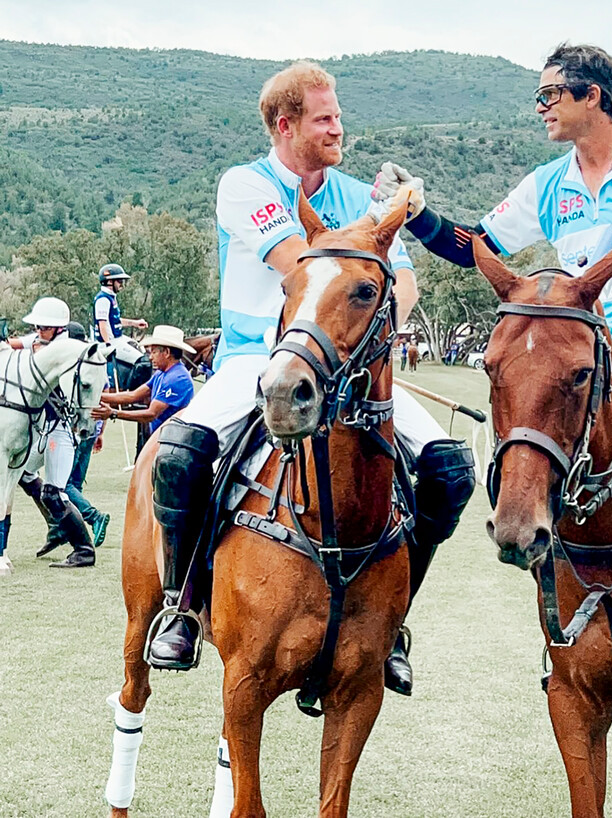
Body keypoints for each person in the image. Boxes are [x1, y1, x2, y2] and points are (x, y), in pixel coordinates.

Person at [146, 61, 475, 692]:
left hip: (352, 366)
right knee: (181, 454)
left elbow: (399, 281)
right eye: (325, 118)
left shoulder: (358, 197)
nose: (338, 128)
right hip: (257, 358)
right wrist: (386, 223)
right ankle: (182, 603)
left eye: (339, 116)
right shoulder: (245, 185)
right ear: (285, 123)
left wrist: (372, 329)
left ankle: (395, 620)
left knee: (447, 471)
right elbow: (303, 268)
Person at [372, 42, 612, 484]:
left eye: (549, 94)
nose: (539, 107)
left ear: (591, 95)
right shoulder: (547, 184)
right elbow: (473, 247)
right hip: (585, 356)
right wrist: (417, 213)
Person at [9, 298, 97, 568]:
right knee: (25, 474)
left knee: (54, 493)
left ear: (58, 329)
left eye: (43, 328)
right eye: (37, 327)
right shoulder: (43, 340)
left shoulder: (68, 351)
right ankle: (57, 526)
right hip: (43, 428)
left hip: (60, 429)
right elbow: (17, 344)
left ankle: (84, 550)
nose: (38, 331)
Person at [36, 320, 111, 557]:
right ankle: (59, 530)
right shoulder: (97, 360)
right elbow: (104, 395)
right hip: (92, 426)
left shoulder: (73, 364)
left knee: (63, 486)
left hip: (75, 428)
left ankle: (92, 518)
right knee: (73, 484)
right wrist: (101, 430)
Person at [93, 325, 195, 433]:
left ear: (167, 353)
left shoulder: (178, 379)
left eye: (154, 352)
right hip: (162, 436)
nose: (150, 357)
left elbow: (151, 414)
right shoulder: (161, 373)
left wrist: (113, 413)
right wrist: (96, 397)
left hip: (173, 439)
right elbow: (133, 395)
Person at [93, 264, 147, 380]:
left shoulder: (111, 297)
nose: (122, 284)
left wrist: (135, 323)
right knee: (143, 362)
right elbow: (102, 324)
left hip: (118, 339)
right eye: (119, 281)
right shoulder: (103, 299)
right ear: (109, 282)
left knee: (141, 349)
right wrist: (108, 344)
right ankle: (134, 392)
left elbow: (114, 321)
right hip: (111, 342)